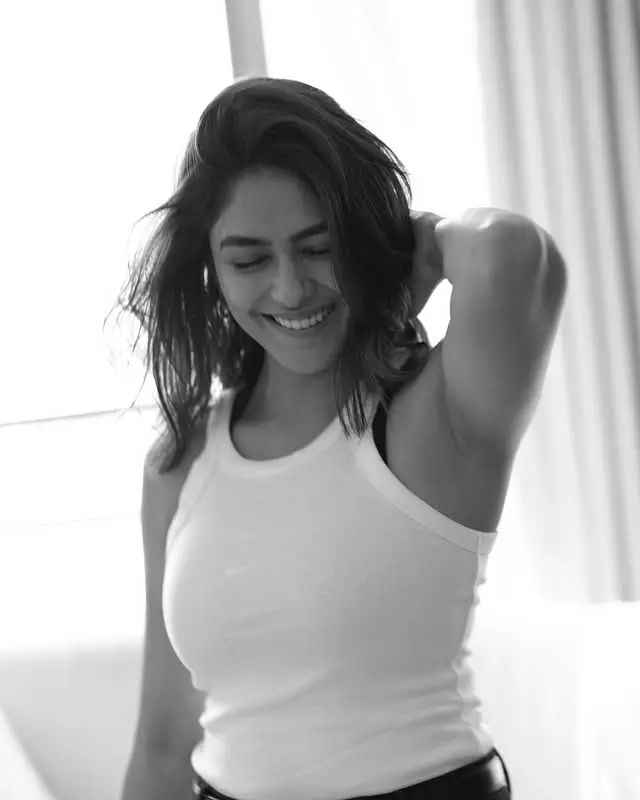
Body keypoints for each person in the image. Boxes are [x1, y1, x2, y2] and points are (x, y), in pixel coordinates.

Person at [115, 76, 567, 800]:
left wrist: (410, 252)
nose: (292, 289)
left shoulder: (432, 418)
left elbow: (512, 257)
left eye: (319, 247)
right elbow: (163, 744)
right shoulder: (182, 462)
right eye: (250, 259)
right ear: (211, 269)